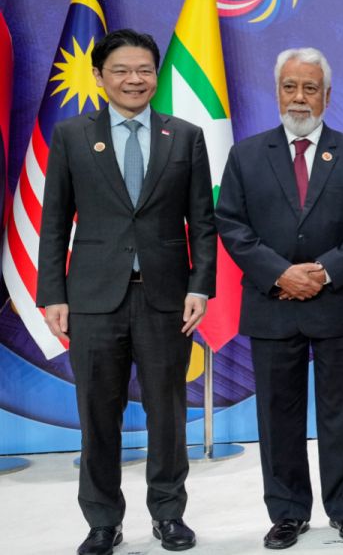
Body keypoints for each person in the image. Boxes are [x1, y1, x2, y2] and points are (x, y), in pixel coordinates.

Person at [37, 29, 216, 555]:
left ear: (156, 75)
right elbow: (54, 222)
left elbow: (203, 222)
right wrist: (53, 294)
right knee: (98, 415)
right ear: (99, 76)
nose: (133, 79)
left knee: (168, 414)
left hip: (166, 298)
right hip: (93, 299)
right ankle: (102, 522)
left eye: (143, 70)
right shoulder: (72, 135)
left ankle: (169, 515)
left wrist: (200, 286)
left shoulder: (184, 136)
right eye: (120, 70)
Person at [216, 48, 343, 549]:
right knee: (278, 416)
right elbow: (231, 224)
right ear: (277, 92)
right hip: (272, 305)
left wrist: (324, 272)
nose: (299, 97)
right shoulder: (246, 155)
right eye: (290, 86)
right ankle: (288, 513)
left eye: (310, 88)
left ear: (327, 95)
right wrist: (280, 274)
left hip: (337, 305)